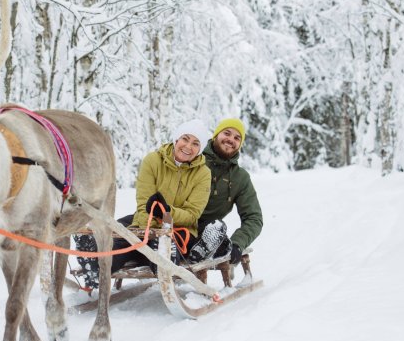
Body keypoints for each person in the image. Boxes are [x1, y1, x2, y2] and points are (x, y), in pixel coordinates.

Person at [74, 119, 212, 288]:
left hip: (179, 229)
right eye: (185, 139)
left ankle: (162, 254)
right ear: (176, 139)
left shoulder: (203, 173)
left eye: (196, 143)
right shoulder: (153, 161)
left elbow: (192, 214)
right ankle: (95, 265)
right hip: (144, 222)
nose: (188, 146)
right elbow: (143, 203)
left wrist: (167, 213)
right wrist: (153, 230)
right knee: (123, 246)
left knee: (164, 247)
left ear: (200, 149)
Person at [190, 118, 263, 265]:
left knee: (218, 230)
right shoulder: (193, 158)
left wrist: (238, 242)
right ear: (216, 135)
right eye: (227, 133)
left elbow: (254, 218)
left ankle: (205, 248)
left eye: (237, 138)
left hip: (209, 233)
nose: (231, 140)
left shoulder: (240, 177)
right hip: (179, 224)